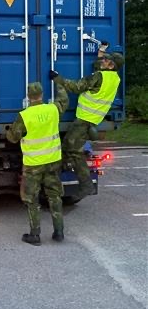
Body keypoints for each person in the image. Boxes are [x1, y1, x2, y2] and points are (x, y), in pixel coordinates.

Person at [49, 46, 124, 199]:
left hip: (83, 120)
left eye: (106, 60)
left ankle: (85, 184)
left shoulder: (99, 76)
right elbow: (100, 69)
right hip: (92, 120)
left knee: (71, 150)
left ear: (111, 65)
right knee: (71, 148)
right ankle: (68, 171)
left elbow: (76, 87)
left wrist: (57, 78)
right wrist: (100, 53)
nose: (103, 61)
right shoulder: (115, 78)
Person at [6, 81, 69, 246]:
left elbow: (13, 137)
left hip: (33, 165)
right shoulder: (53, 109)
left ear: (28, 96)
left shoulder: (24, 115)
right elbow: (64, 101)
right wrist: (59, 83)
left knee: (32, 199)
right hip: (53, 162)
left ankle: (35, 235)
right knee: (54, 196)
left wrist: (8, 131)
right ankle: (59, 232)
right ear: (42, 94)